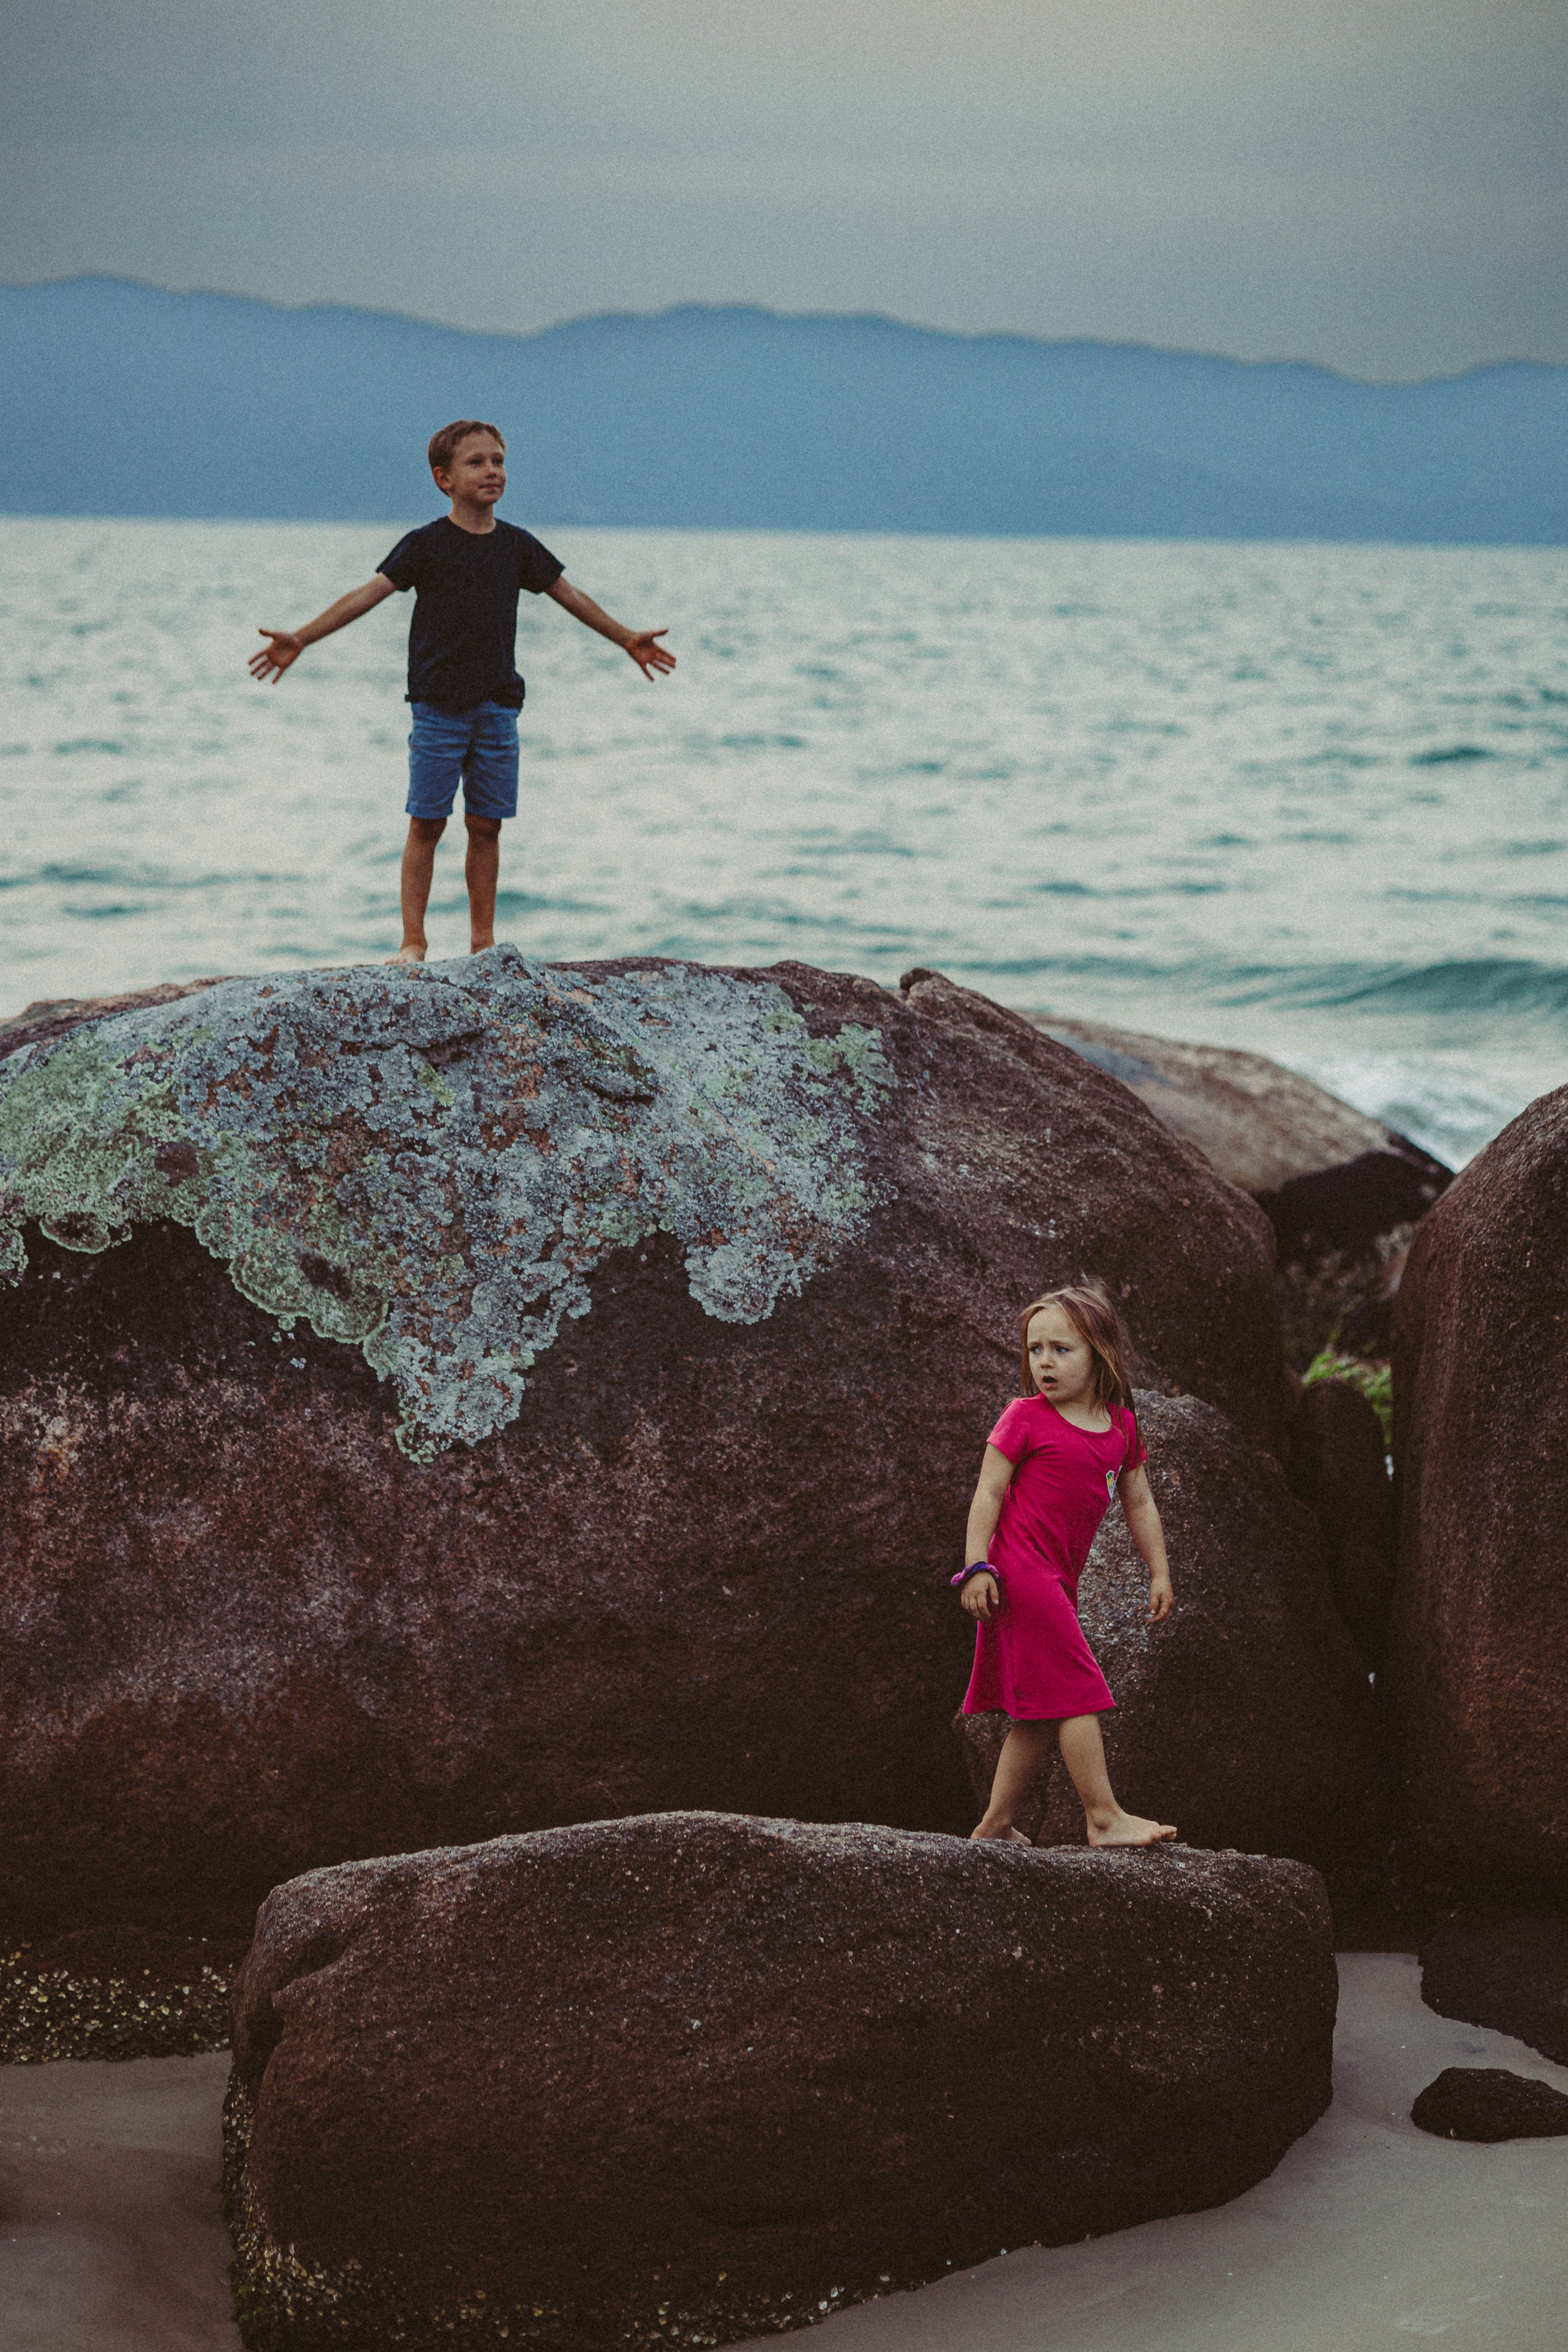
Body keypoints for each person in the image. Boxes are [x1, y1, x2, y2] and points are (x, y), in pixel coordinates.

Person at [248, 418, 675, 962]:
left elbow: (570, 596)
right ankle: (413, 942)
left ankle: (482, 942)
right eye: (476, 462)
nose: (492, 471)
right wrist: (302, 638)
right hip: (437, 709)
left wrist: (626, 638)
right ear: (443, 478)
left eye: (499, 461)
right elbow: (367, 594)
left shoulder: (518, 546)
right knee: (427, 823)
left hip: (498, 707)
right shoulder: (425, 545)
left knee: (486, 826)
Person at [956, 1281, 1178, 1848]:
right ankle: (1103, 1817)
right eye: (1035, 1350)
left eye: (1061, 1349)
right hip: (1019, 1573)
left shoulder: (1122, 1426)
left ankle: (995, 1825)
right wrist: (976, 1566)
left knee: (1039, 1709)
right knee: (1079, 1686)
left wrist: (1159, 1571)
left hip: (1058, 1578)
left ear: (1099, 1353)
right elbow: (988, 1493)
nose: (1044, 1362)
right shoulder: (1024, 1417)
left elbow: (1140, 1502)